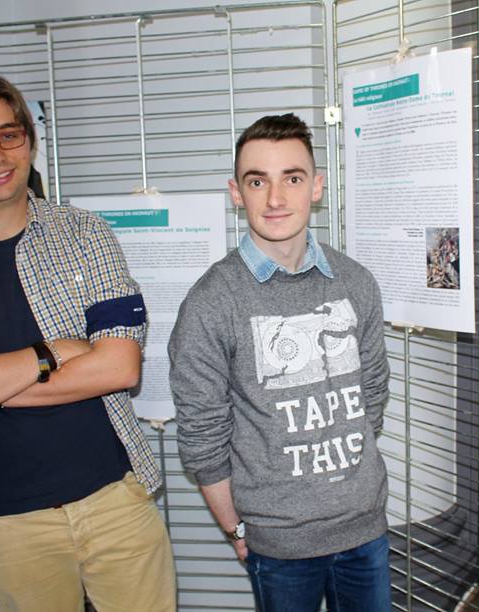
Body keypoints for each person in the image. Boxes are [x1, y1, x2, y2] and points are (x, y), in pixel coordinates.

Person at [0, 73, 175, 612]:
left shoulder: (87, 234)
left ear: (29, 142)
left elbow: (119, 368)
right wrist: (55, 351)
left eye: (8, 135)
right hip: (5, 521)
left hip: (114, 500)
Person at [169, 113, 392, 612]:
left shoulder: (356, 282)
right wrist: (236, 529)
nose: (275, 198)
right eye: (257, 181)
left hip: (365, 531)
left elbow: (372, 395)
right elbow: (203, 438)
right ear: (236, 193)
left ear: (316, 186)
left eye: (291, 178)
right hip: (278, 546)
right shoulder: (210, 303)